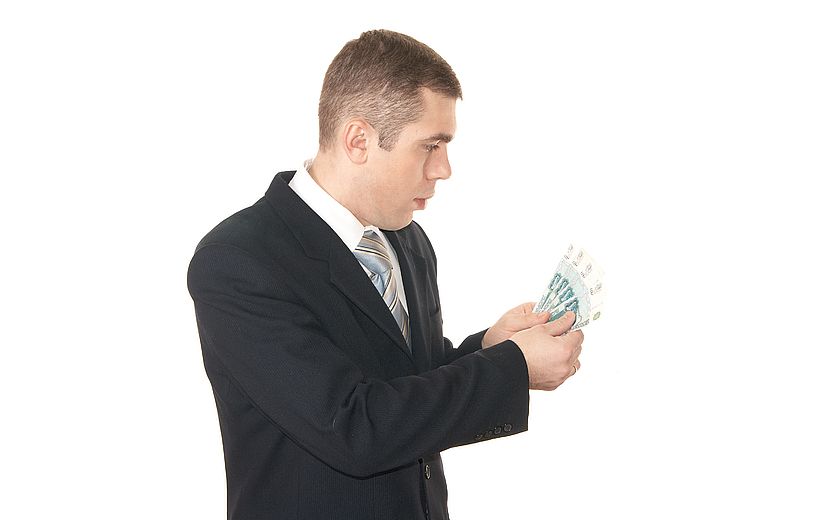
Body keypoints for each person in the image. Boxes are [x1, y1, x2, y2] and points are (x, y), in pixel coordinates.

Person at [187, 29, 584, 520]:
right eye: (431, 146)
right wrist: (512, 368)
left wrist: (490, 349)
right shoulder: (239, 261)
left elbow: (406, 379)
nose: (444, 169)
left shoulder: (406, 239)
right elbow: (352, 425)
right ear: (359, 140)